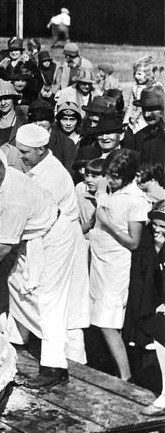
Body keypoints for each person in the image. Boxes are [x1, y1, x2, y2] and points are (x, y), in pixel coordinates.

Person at [0, 142, 77, 389]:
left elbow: (3, 246)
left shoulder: (15, 197)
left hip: (52, 239)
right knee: (16, 285)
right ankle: (17, 342)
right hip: (29, 239)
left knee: (47, 299)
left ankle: (55, 367)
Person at [15, 124, 89, 364]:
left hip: (62, 244)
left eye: (25, 152)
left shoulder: (52, 176)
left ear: (41, 149)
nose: (21, 156)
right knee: (25, 290)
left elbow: (35, 216)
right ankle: (22, 347)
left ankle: (74, 365)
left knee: (65, 307)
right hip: (46, 241)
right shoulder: (36, 167)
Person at [88, 150, 148, 381]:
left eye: (114, 176)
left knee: (108, 323)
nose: (109, 180)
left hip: (115, 267)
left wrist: (107, 222)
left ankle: (126, 376)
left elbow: (133, 242)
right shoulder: (111, 190)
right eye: (108, 175)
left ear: (128, 174)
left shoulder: (135, 200)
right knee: (98, 320)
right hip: (99, 262)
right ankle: (113, 370)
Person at [143, 208, 165, 415]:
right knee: (159, 332)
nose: (157, 229)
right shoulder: (158, 248)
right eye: (155, 225)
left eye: (163, 226)